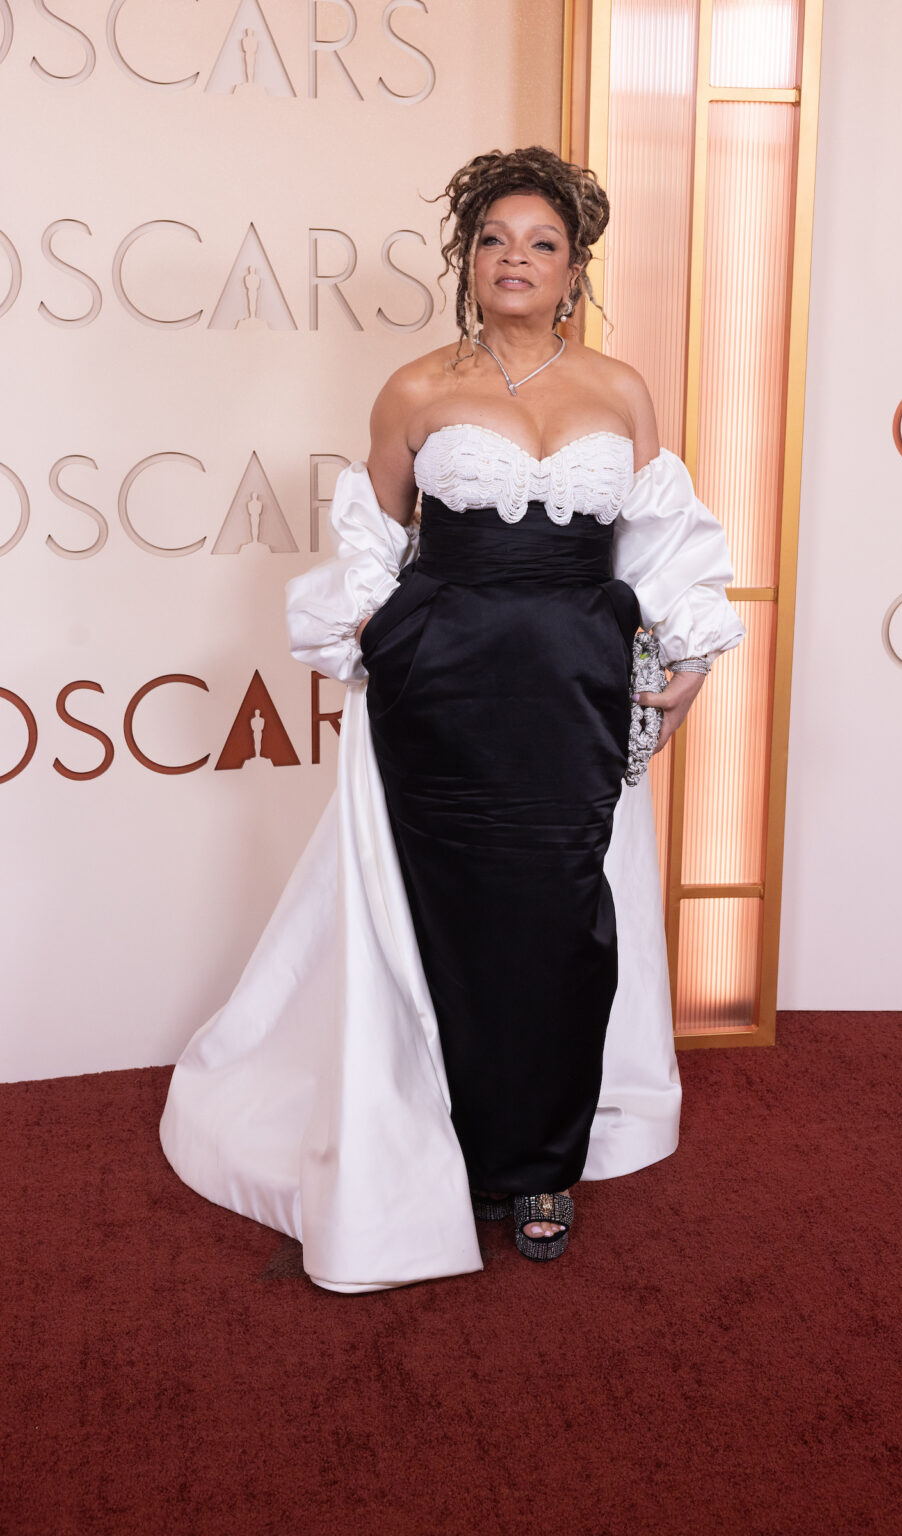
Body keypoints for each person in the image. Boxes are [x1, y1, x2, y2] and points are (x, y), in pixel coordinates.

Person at [159, 146, 746, 1292]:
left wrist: (689, 660)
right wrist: (376, 642)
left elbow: (659, 539)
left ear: (572, 269)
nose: (513, 258)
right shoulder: (416, 389)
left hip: (572, 690)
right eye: (492, 240)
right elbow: (371, 539)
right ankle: (452, 1143)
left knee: (562, 924)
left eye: (540, 243)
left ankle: (541, 1164)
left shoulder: (620, 390)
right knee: (448, 921)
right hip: (440, 689)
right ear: (466, 259)